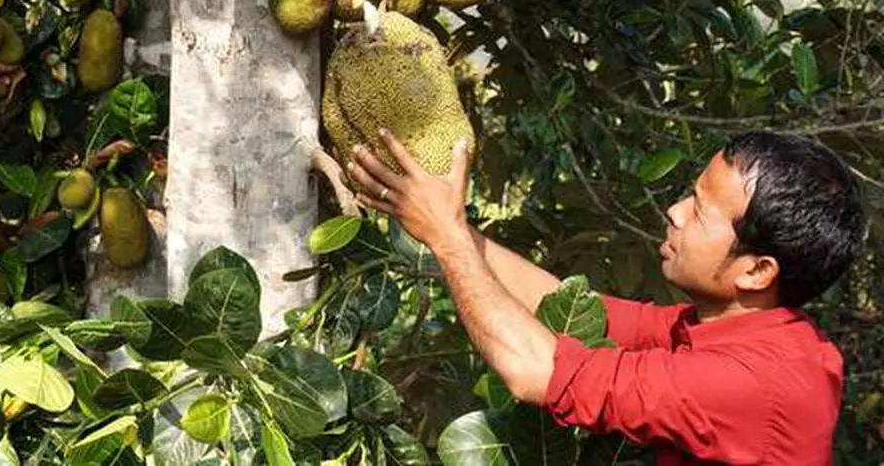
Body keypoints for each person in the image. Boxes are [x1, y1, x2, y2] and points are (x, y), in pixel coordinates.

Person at [346, 129, 866, 465]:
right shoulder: (732, 329)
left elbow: (535, 372)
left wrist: (446, 236)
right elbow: (569, 308)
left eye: (701, 212)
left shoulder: (752, 383)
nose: (676, 212)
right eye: (690, 193)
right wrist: (445, 222)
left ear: (755, 271)